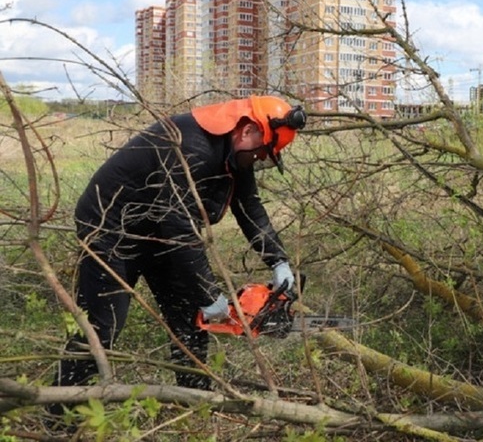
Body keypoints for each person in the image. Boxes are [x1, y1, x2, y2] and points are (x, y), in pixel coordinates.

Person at [51, 95, 306, 401]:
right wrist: (209, 292)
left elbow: (249, 206)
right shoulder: (192, 146)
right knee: (102, 327)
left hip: (159, 231)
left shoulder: (236, 155)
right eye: (264, 151)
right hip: (111, 230)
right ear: (248, 130)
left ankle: (193, 401)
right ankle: (59, 415)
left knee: (190, 320)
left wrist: (278, 261)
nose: (261, 158)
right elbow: (179, 227)